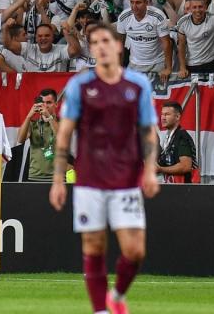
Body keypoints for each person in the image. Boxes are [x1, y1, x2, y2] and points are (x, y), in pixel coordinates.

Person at [49, 23, 160, 314]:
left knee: (135, 250)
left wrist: (149, 170)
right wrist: (58, 179)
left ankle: (118, 296)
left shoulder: (137, 85)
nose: (100, 46)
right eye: (94, 42)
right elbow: (65, 133)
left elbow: (148, 131)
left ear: (119, 46)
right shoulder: (80, 86)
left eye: (105, 40)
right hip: (89, 180)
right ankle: (100, 310)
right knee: (94, 246)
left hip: (126, 179)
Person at [116, 0, 171, 83]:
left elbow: (166, 43)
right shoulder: (124, 17)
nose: (134, 6)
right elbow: (119, 44)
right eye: (132, 2)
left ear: (146, 3)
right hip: (134, 64)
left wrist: (168, 68)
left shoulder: (158, 16)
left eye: (138, 2)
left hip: (157, 64)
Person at [2, 20, 81, 72]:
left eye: (47, 36)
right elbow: (8, 44)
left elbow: (75, 50)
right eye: (40, 36)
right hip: (34, 91)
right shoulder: (29, 49)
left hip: (56, 93)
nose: (43, 38)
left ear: (53, 37)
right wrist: (5, 27)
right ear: (35, 38)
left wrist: (67, 31)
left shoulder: (60, 49)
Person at [17, 89, 59, 182]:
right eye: (42, 103)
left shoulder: (62, 122)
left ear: (56, 104)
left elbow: (61, 137)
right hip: (35, 176)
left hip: (57, 178)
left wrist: (48, 116)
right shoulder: (33, 124)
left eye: (48, 103)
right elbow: (20, 139)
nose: (45, 106)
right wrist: (29, 116)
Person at [157, 101, 197, 183]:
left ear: (178, 116)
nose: (163, 118)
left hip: (184, 190)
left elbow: (185, 166)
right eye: (162, 114)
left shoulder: (182, 137)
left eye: (167, 114)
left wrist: (160, 169)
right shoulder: (170, 136)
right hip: (173, 188)